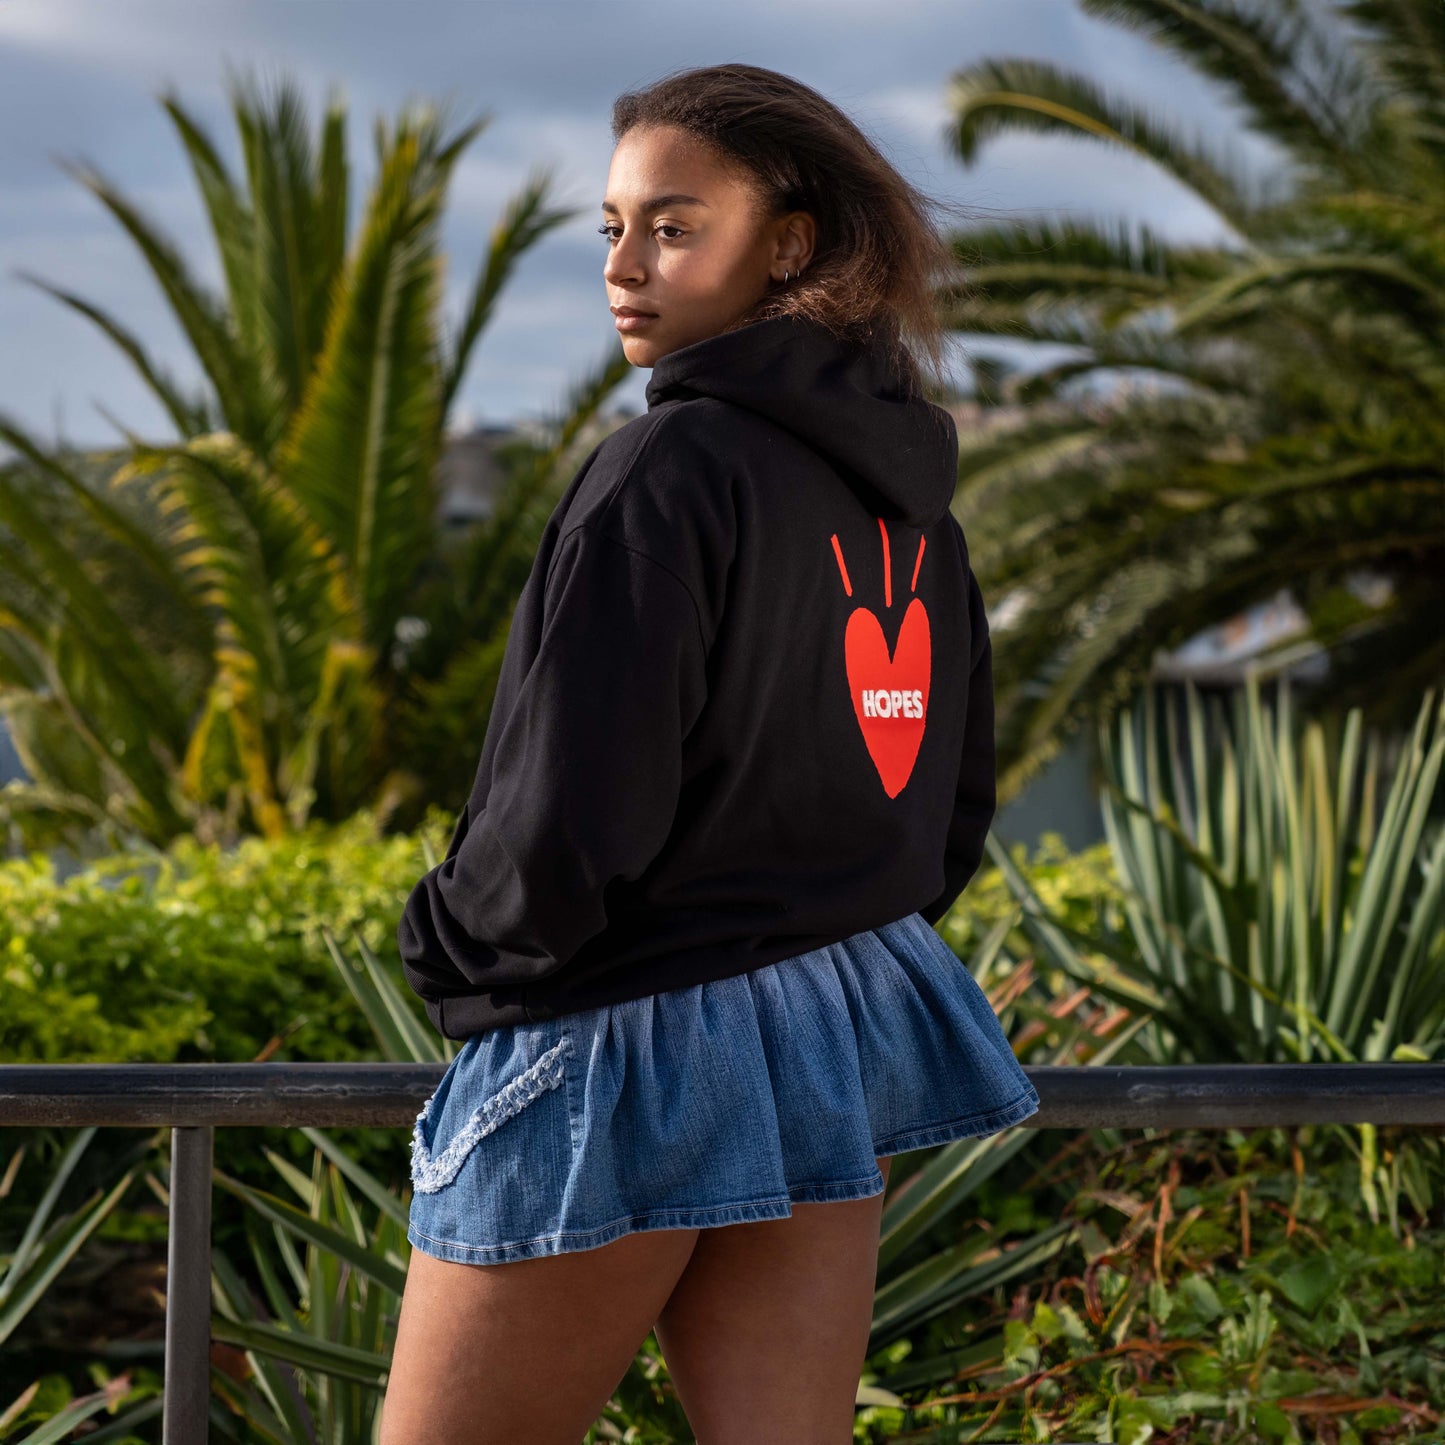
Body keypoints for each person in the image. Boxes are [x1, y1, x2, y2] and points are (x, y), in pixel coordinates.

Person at [379, 61, 1040, 1445]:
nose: (625, 264)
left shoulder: (665, 471)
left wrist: (446, 945)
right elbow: (946, 799)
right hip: (826, 1026)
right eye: (611, 226)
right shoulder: (914, 505)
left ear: (788, 242)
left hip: (625, 1035)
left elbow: (568, 816)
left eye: (672, 226)